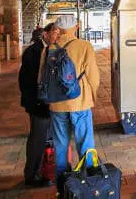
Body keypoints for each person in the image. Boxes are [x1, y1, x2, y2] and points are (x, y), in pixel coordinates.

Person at [46, 16, 100, 186]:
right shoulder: (84, 46)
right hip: (80, 102)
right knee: (85, 142)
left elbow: (42, 78)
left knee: (60, 145)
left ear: (58, 29)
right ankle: (88, 180)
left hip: (57, 104)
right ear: (76, 27)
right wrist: (93, 95)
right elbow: (93, 76)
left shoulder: (48, 49)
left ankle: (63, 184)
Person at [19, 28, 52, 187]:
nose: (57, 36)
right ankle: (32, 175)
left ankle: (44, 171)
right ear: (45, 34)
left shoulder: (44, 50)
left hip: (42, 103)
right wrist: (36, 101)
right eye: (55, 33)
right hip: (38, 103)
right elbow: (29, 80)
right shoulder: (35, 51)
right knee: (38, 139)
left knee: (44, 138)